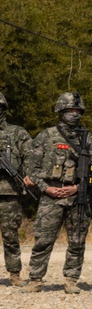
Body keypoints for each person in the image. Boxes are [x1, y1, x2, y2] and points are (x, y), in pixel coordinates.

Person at [22, 93, 92, 293]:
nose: (74, 114)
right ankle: (35, 279)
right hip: (50, 195)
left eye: (77, 110)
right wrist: (46, 188)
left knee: (77, 240)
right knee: (43, 239)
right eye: (69, 110)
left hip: (77, 196)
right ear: (60, 111)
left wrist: (78, 188)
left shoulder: (87, 138)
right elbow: (32, 167)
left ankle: (71, 280)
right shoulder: (46, 136)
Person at [0, 91, 32, 287]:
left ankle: (14, 273)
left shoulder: (17, 133)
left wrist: (28, 174)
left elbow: (30, 156)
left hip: (9, 191)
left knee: (10, 235)